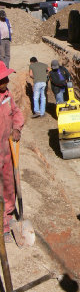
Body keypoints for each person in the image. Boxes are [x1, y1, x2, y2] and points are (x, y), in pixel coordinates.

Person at [0, 61, 24, 243]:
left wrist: (16, 127)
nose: (7, 81)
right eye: (3, 78)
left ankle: (7, 219)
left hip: (7, 150)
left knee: (9, 185)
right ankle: (2, 226)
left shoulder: (7, 95)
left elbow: (16, 112)